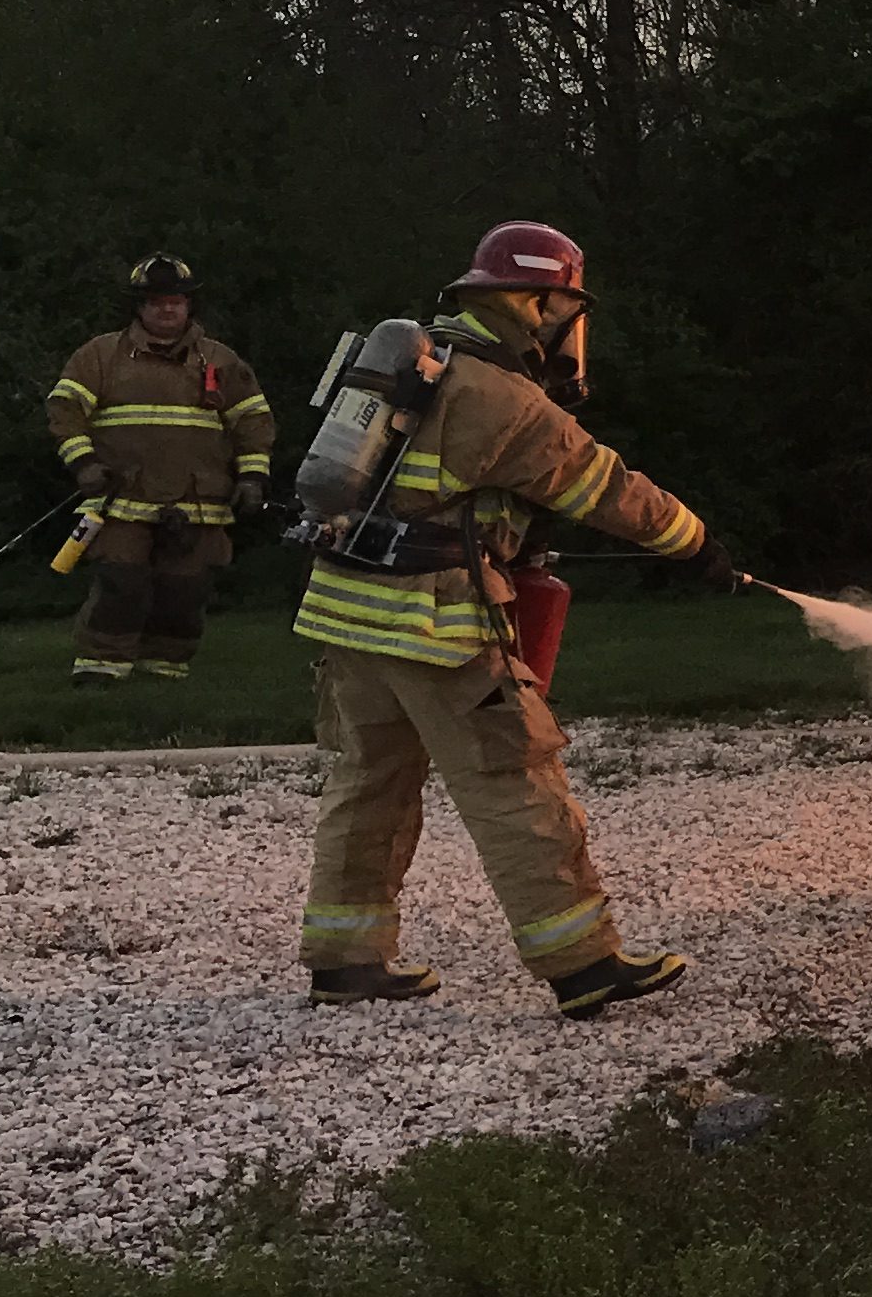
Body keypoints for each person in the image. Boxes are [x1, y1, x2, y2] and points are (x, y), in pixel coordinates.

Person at [292, 220, 735, 1013]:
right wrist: (695, 543)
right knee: (515, 781)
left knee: (370, 783)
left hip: (346, 611)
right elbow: (604, 487)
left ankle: (345, 959)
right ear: (535, 303)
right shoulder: (500, 395)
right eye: (565, 308)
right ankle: (584, 964)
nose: (569, 328)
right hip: (433, 623)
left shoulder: (423, 361)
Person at [42, 254, 276, 685]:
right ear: (139, 306)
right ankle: (101, 666)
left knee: (185, 589)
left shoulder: (220, 361)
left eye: (176, 301)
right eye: (156, 302)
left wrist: (252, 477)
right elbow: (65, 409)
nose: (167, 309)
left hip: (198, 500)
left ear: (189, 306)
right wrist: (84, 463)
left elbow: (253, 423)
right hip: (121, 498)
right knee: (121, 581)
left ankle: (165, 669)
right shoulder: (101, 355)